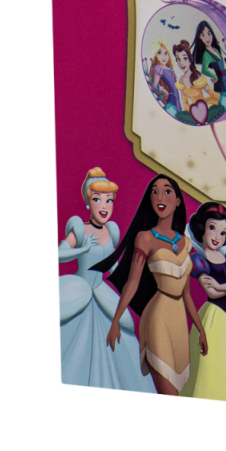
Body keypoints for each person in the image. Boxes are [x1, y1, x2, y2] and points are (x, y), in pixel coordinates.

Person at [96, 175, 208, 397]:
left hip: (178, 321)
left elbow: (186, 294)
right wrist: (116, 320)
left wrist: (200, 329)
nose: (159, 197)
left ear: (178, 200)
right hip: (157, 317)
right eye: (154, 192)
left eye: (167, 191)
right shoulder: (145, 238)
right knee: (168, 391)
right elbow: (133, 282)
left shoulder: (186, 243)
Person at [58, 168, 154, 394]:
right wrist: (82, 249)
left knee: (122, 341)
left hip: (102, 295)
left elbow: (112, 267)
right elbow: (59, 254)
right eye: (97, 199)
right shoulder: (79, 228)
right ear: (88, 203)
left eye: (109, 200)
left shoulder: (111, 231)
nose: (104, 206)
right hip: (79, 293)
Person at [180, 202, 226, 405]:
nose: (217, 236)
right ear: (201, 228)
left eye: (223, 232)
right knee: (209, 363)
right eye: (212, 228)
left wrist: (221, 286)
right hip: (212, 318)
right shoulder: (199, 260)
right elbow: (210, 291)